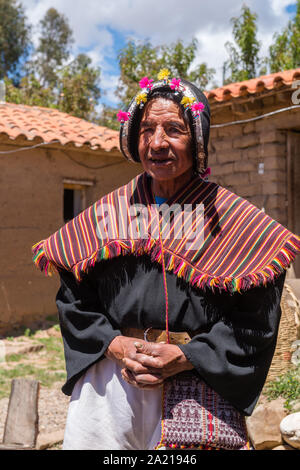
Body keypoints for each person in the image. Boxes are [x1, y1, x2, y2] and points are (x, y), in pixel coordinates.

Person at [32, 69, 300, 450]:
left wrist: (186, 355)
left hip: (198, 378)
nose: (158, 142)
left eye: (174, 129)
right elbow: (74, 301)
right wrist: (116, 345)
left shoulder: (230, 219)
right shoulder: (110, 214)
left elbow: (256, 319)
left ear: (198, 141)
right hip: (112, 385)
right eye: (146, 130)